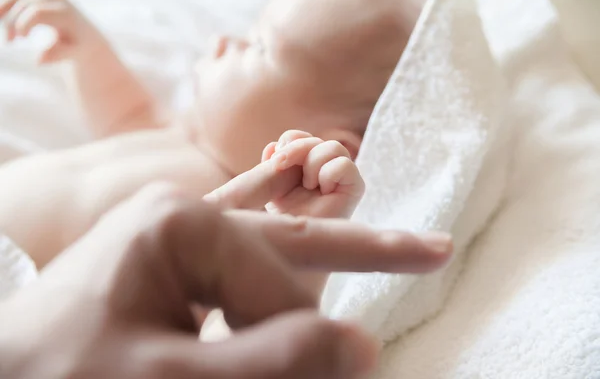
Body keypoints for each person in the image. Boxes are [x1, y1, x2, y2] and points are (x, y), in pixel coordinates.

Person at [0, 0, 421, 271]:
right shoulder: (179, 134)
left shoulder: (242, 222)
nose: (223, 41)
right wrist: (86, 47)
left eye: (258, 46)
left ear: (326, 146)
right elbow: (124, 115)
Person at [0, 154, 452, 379]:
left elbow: (199, 344)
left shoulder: (202, 185)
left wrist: (293, 247)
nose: (225, 41)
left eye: (261, 48)